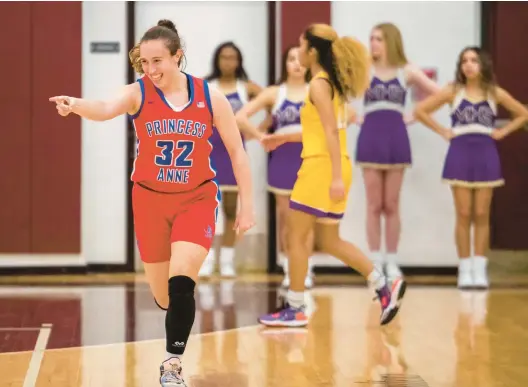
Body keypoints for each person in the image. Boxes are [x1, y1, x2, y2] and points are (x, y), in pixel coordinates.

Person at [49, 19, 255, 387]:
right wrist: (76, 105)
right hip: (149, 201)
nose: (151, 69)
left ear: (178, 56)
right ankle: (172, 315)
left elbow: (238, 152)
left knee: (182, 283)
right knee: (164, 296)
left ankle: (171, 365)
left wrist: (248, 205)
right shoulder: (140, 93)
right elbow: (106, 106)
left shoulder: (210, 97)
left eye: (158, 61)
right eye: (145, 62)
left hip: (197, 198)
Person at [258, 24, 406, 328]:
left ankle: (296, 307)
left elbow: (329, 132)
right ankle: (382, 284)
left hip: (321, 168)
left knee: (294, 236)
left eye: (300, 44)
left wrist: (335, 177)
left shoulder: (318, 85)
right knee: (329, 240)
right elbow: (322, 130)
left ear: (312, 51)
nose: (297, 50)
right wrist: (284, 138)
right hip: (333, 165)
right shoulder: (330, 83)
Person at [414, 46, 528, 289]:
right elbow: (420, 111)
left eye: (474, 60)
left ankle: (479, 269)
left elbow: (522, 114)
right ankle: (465, 269)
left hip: (486, 153)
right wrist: (442, 130)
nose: (468, 64)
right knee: (464, 213)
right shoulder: (453, 91)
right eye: (464, 60)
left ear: (483, 64)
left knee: (481, 214)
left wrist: (503, 131)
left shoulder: (493, 92)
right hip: (460, 153)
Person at [355, 22, 440, 283]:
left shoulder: (407, 71)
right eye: (371, 38)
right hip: (370, 136)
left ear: (391, 41)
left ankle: (392, 260)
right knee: (373, 204)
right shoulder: (364, 70)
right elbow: (333, 92)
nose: (373, 43)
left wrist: (415, 116)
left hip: (396, 137)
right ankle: (375, 260)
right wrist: (352, 117)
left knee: (391, 204)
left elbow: (441, 94)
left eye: (378, 39)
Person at [235, 46, 316, 288]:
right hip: (282, 160)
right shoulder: (274, 92)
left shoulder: (317, 91)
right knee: (286, 220)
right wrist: (260, 136)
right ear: (285, 63)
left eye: (301, 59)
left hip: (310, 159)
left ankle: (307, 269)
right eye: (292, 58)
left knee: (306, 221)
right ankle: (289, 269)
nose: (297, 64)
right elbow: (240, 117)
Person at [199, 41, 265, 278]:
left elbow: (272, 101)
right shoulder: (207, 86)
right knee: (206, 209)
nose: (228, 62)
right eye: (224, 57)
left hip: (233, 153)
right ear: (217, 59)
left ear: (239, 61)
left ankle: (227, 259)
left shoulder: (245, 87)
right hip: (208, 152)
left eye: (233, 57)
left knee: (229, 209)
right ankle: (206, 259)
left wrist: (258, 130)